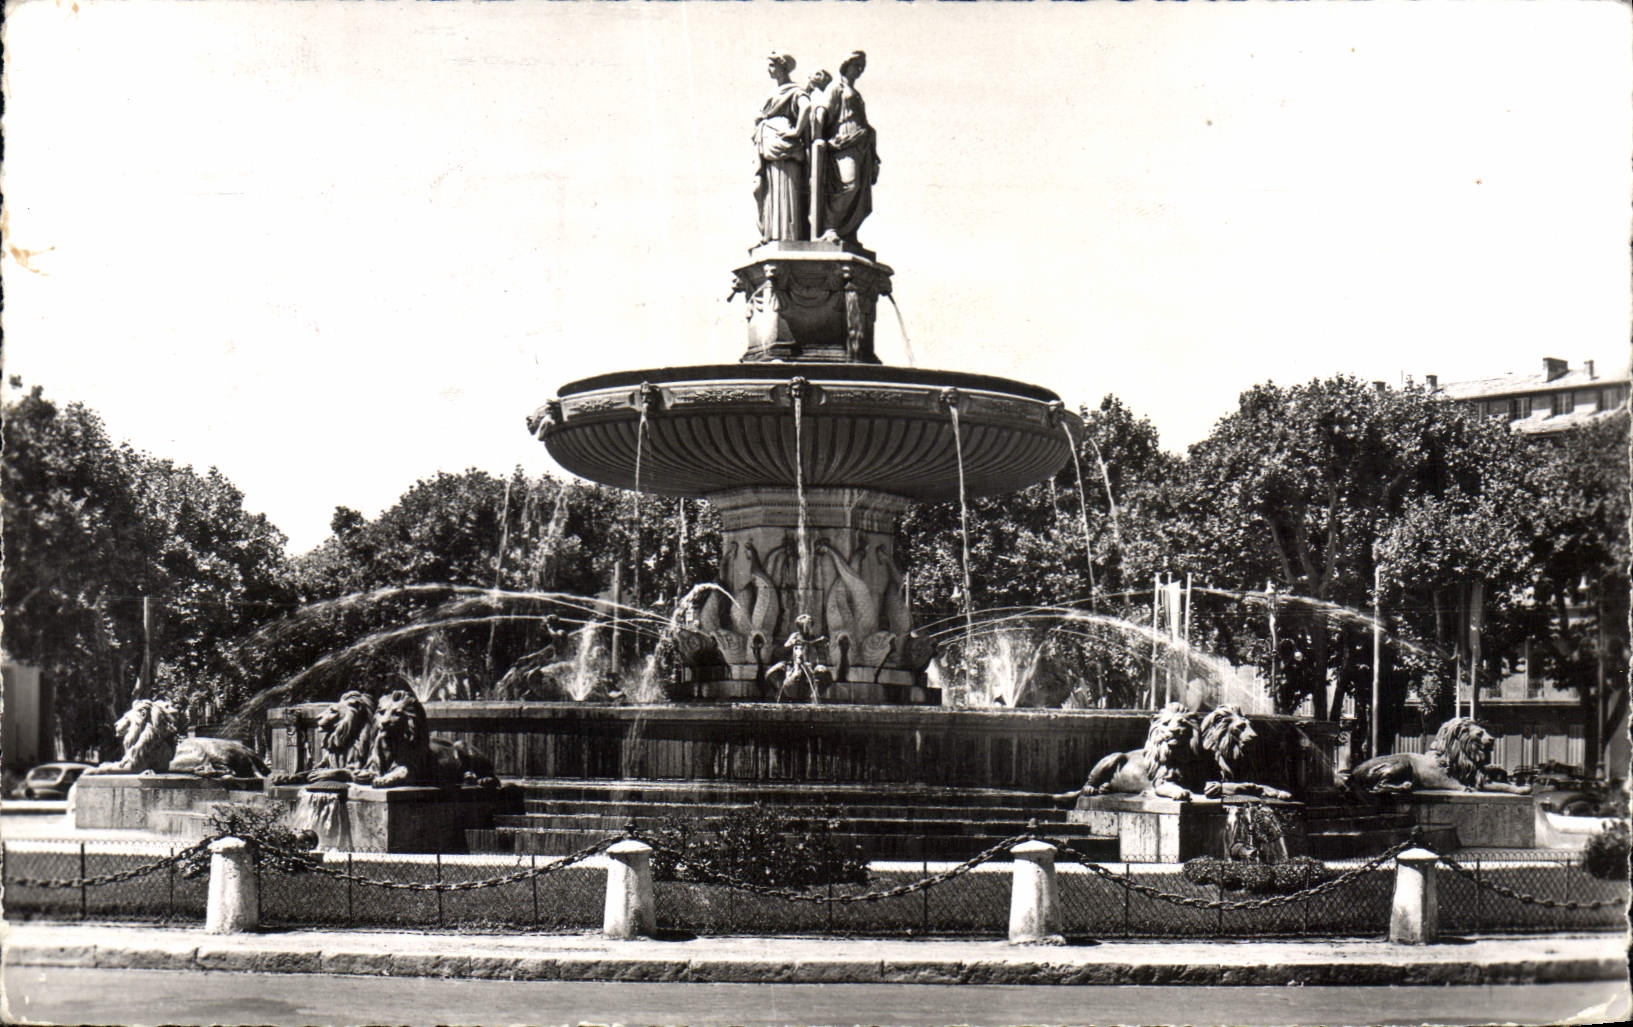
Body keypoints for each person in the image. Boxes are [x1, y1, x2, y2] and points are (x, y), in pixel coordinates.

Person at [815, 51, 878, 247]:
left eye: (861, 66)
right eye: (856, 65)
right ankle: (831, 227)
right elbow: (821, 111)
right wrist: (818, 138)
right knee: (848, 184)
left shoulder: (855, 93)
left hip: (861, 145)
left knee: (860, 191)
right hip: (843, 142)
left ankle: (847, 232)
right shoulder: (836, 87)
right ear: (846, 65)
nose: (859, 70)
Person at [753, 53, 810, 244]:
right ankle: (770, 233)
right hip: (769, 144)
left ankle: (787, 235)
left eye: (771, 65)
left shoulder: (794, 90)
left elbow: (806, 107)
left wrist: (796, 132)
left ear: (782, 67)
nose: (769, 69)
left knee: (786, 187)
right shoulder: (772, 93)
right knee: (766, 188)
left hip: (784, 143)